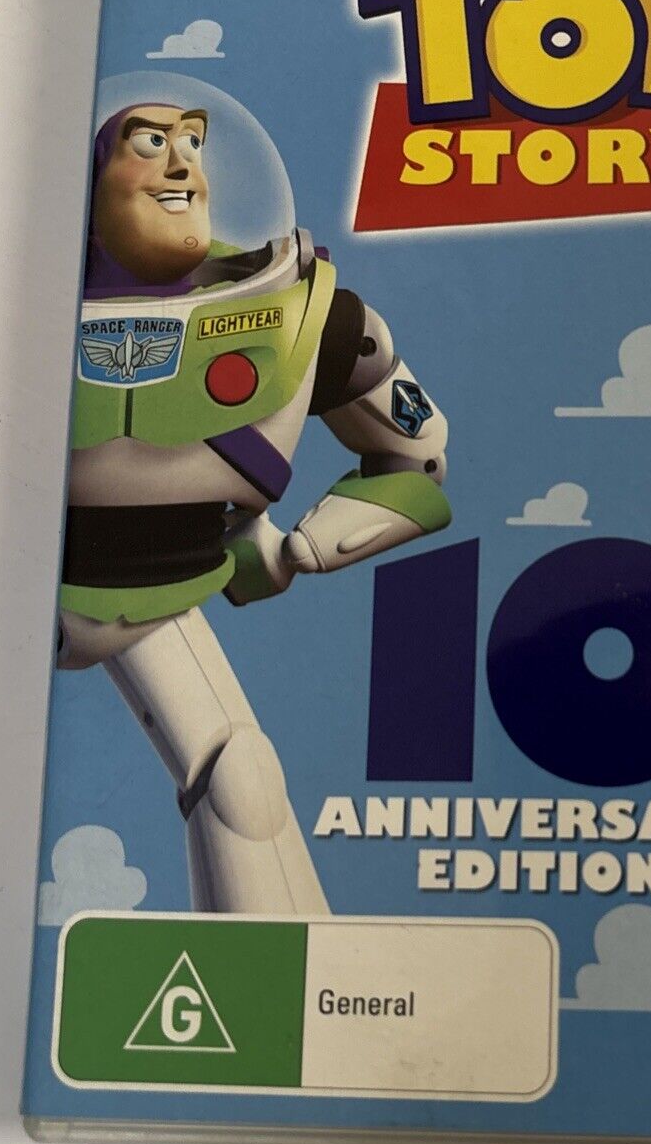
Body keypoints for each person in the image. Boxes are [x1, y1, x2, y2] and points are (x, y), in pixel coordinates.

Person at [59, 100, 450, 915]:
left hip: (158, 595)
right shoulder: (1, 301)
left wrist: (306, 544)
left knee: (241, 781)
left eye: (192, 143)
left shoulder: (303, 315)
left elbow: (416, 457)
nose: (182, 164)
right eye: (151, 143)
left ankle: (274, 981)